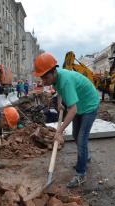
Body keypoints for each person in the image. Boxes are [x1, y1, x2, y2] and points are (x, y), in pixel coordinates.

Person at [33, 52, 100, 188]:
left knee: (81, 138)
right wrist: (59, 101)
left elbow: (73, 110)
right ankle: (85, 157)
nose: (44, 81)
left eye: (45, 77)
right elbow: (60, 90)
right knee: (76, 135)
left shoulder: (65, 81)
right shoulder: (57, 78)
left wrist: (59, 131)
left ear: (53, 72)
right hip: (80, 104)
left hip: (89, 105)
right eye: (42, 78)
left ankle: (81, 174)